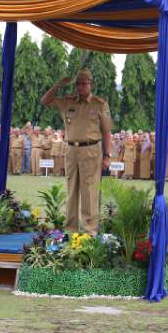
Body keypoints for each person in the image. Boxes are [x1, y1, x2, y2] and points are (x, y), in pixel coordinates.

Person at [41, 68, 112, 236]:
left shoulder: (100, 104)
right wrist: (58, 85)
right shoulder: (68, 102)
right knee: (71, 189)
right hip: (71, 150)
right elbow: (45, 101)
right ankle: (70, 230)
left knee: (89, 191)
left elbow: (107, 131)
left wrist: (107, 156)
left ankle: (89, 231)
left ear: (90, 84)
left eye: (83, 83)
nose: (80, 87)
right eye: (77, 84)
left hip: (91, 150)